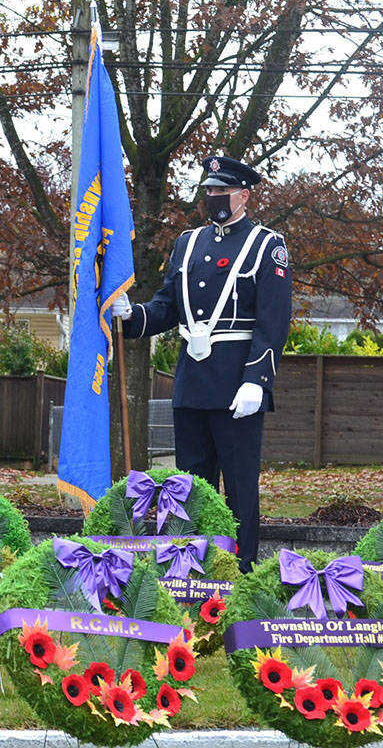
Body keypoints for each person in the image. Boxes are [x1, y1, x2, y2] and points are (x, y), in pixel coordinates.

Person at [111, 156, 291, 571]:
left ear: (244, 195)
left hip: (236, 385)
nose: (213, 198)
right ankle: (194, 569)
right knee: (191, 486)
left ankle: (240, 571)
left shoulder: (268, 245)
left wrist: (257, 380)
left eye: (221, 191)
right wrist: (132, 315)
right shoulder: (187, 243)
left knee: (240, 487)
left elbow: (273, 321)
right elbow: (167, 307)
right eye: (208, 191)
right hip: (192, 383)